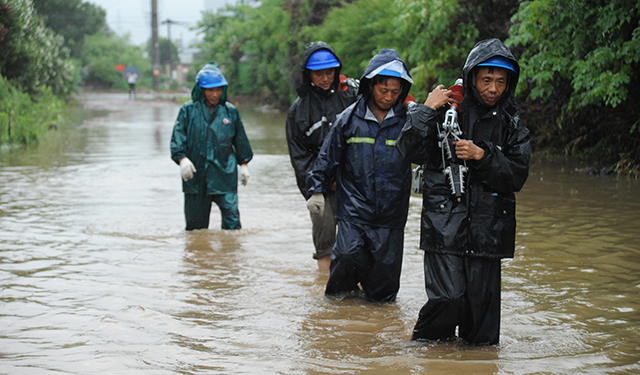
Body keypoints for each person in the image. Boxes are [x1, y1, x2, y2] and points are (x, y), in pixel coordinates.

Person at [395, 38, 531, 345]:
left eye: (500, 82)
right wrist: (426, 109)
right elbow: (408, 149)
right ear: (472, 78)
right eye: (486, 80)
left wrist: (483, 156)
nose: (493, 89)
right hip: (444, 226)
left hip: (488, 231)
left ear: (509, 84)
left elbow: (517, 176)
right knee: (447, 300)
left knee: (481, 333)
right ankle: (423, 357)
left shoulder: (512, 125)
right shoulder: (445, 113)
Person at [306, 49, 414, 303]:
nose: (388, 97)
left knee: (384, 284)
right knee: (345, 257)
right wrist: (316, 189)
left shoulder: (408, 120)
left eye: (395, 91)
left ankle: (377, 324)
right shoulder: (349, 118)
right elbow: (327, 156)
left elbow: (426, 153)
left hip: (392, 212)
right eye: (383, 90)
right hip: (354, 208)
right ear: (370, 86)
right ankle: (337, 314)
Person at [286, 41, 358, 272]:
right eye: (319, 74)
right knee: (325, 232)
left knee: (356, 237)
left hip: (353, 180)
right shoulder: (298, 111)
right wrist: (316, 186)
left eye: (329, 72)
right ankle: (324, 285)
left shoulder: (351, 97)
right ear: (308, 75)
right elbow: (299, 157)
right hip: (319, 184)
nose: (325, 78)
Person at [170, 62, 253, 231]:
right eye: (210, 90)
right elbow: (177, 139)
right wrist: (182, 159)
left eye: (218, 89)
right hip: (196, 176)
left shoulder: (230, 112)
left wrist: (244, 165)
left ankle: (230, 256)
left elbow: (240, 141)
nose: (215, 94)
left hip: (224, 174)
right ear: (201, 90)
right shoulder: (187, 111)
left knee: (232, 225)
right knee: (195, 229)